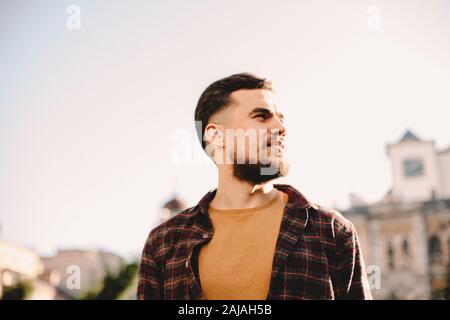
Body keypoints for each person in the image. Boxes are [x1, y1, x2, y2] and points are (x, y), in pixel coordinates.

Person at [137, 73, 372, 300]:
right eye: (261, 116)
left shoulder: (331, 231)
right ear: (216, 136)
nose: (281, 128)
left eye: (281, 118)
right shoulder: (164, 242)